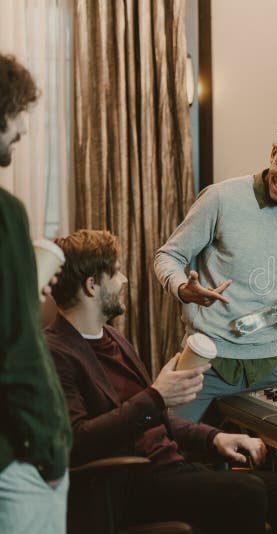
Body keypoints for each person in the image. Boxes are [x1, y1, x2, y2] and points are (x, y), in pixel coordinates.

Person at [46, 229, 277, 534]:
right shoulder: (56, 354)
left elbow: (153, 419)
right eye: (116, 272)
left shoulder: (112, 338)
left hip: (174, 467)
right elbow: (78, 441)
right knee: (247, 492)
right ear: (92, 285)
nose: (124, 280)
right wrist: (157, 396)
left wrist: (213, 437)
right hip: (133, 485)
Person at [154, 111, 277, 422]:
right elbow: (167, 256)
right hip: (205, 359)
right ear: (273, 151)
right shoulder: (220, 198)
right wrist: (183, 290)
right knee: (174, 450)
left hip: (269, 365)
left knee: (265, 461)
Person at [0, 53, 72, 534]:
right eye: (16, 113)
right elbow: (17, 351)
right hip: (15, 458)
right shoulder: (6, 213)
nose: (22, 129)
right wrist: (50, 452)